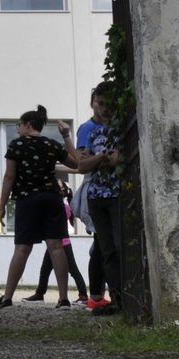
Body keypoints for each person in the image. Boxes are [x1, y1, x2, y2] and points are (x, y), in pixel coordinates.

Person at [0, 105, 110, 308]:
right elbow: (76, 164)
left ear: (28, 125)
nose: (18, 129)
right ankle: (63, 298)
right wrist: (65, 137)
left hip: (27, 199)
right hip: (52, 198)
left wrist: (2, 204)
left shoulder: (16, 145)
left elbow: (9, 175)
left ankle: (7, 297)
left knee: (22, 248)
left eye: (19, 125)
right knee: (56, 247)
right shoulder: (52, 144)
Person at [76, 84, 124, 316]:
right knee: (106, 248)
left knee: (117, 245)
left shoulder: (119, 129)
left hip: (115, 193)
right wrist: (103, 156)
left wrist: (97, 157)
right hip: (96, 195)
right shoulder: (90, 130)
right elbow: (81, 165)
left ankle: (120, 297)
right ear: (93, 101)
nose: (104, 109)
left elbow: (115, 160)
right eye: (100, 103)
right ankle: (113, 297)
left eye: (108, 104)